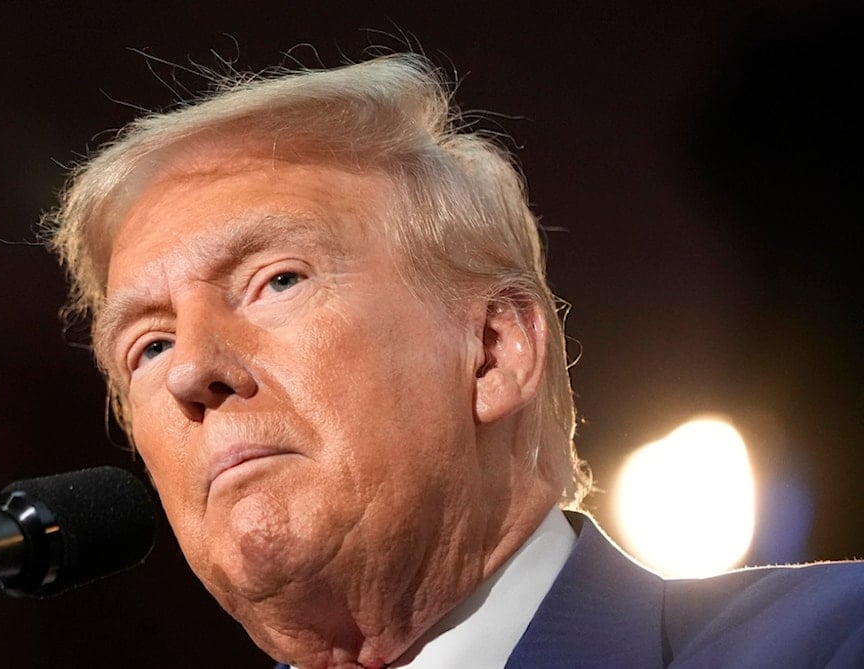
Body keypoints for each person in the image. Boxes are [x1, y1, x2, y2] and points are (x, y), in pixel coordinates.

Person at [42, 53, 863, 668]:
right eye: (147, 345)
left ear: (494, 351)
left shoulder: (829, 640)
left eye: (276, 281)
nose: (190, 371)